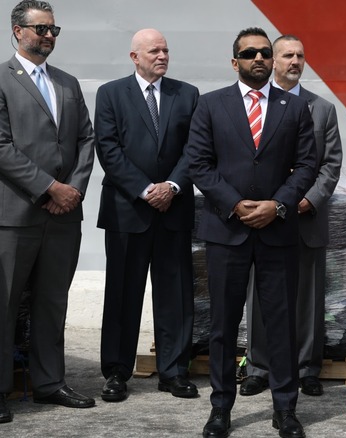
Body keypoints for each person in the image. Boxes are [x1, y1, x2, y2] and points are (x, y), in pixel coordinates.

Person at [186, 27, 317, 438]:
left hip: (277, 230)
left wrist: (276, 205)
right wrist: (237, 204)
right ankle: (221, 408)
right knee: (224, 325)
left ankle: (285, 409)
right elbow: (198, 164)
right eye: (249, 53)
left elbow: (308, 165)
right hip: (227, 230)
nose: (258, 59)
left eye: (264, 52)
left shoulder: (293, 108)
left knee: (280, 323)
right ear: (235, 62)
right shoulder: (210, 106)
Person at [0, 0, 96, 423]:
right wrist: (49, 187)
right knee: (3, 305)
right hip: (16, 215)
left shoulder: (68, 83)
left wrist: (72, 190)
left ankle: (48, 383)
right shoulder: (1, 79)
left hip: (62, 217)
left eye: (54, 29)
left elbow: (86, 140)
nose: (48, 36)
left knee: (52, 302)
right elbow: (1, 146)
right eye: (40, 29)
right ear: (17, 31)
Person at [94, 28, 200, 403]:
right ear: (134, 56)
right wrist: (145, 190)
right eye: (154, 50)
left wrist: (170, 187)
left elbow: (195, 149)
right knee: (123, 294)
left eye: (166, 50)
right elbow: (108, 149)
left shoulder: (186, 94)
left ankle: (174, 371)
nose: (162, 56)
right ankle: (117, 372)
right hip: (127, 210)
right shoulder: (110, 94)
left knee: (175, 294)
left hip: (173, 209)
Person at [240, 34, 342, 399]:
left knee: (307, 299)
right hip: (263, 217)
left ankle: (306, 368)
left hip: (305, 217)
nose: (294, 61)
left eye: (300, 55)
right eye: (286, 55)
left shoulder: (323, 110)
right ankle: (259, 367)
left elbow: (331, 165)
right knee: (260, 296)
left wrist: (307, 200)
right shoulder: (255, 104)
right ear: (272, 60)